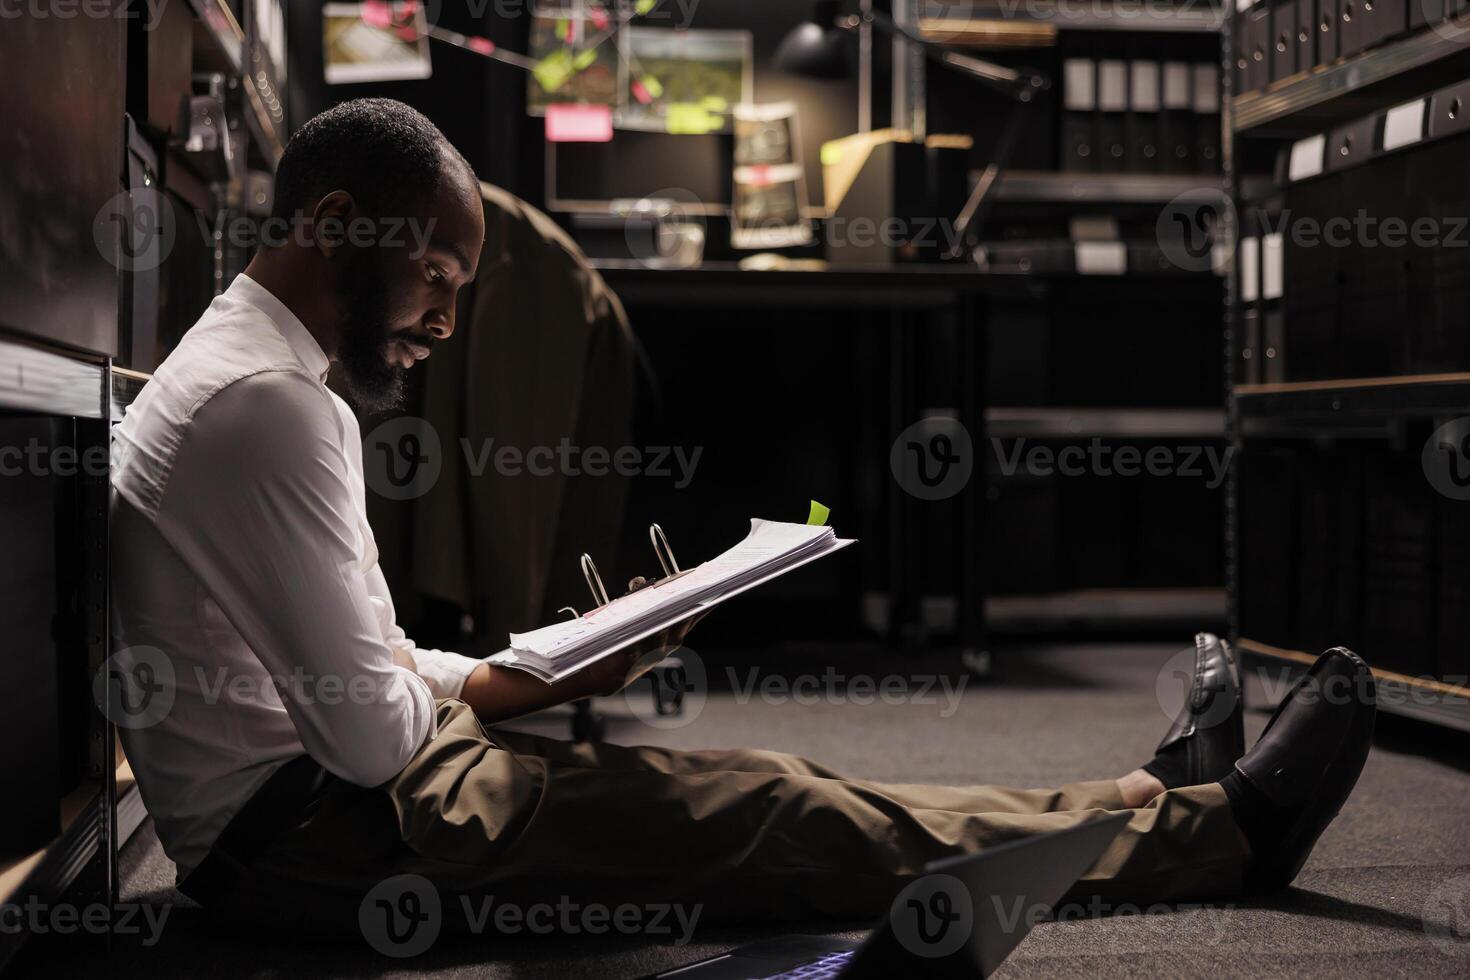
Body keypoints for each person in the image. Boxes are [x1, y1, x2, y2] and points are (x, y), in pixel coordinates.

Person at [108, 99, 1377, 938]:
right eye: (435, 276)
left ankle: (1146, 797)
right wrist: (546, 679)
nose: (443, 320)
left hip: (309, 818)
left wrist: (526, 665)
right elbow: (379, 741)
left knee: (776, 792)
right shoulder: (271, 407)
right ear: (337, 225)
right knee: (776, 812)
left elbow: (374, 672)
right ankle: (1224, 834)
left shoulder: (238, 368)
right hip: (321, 849)